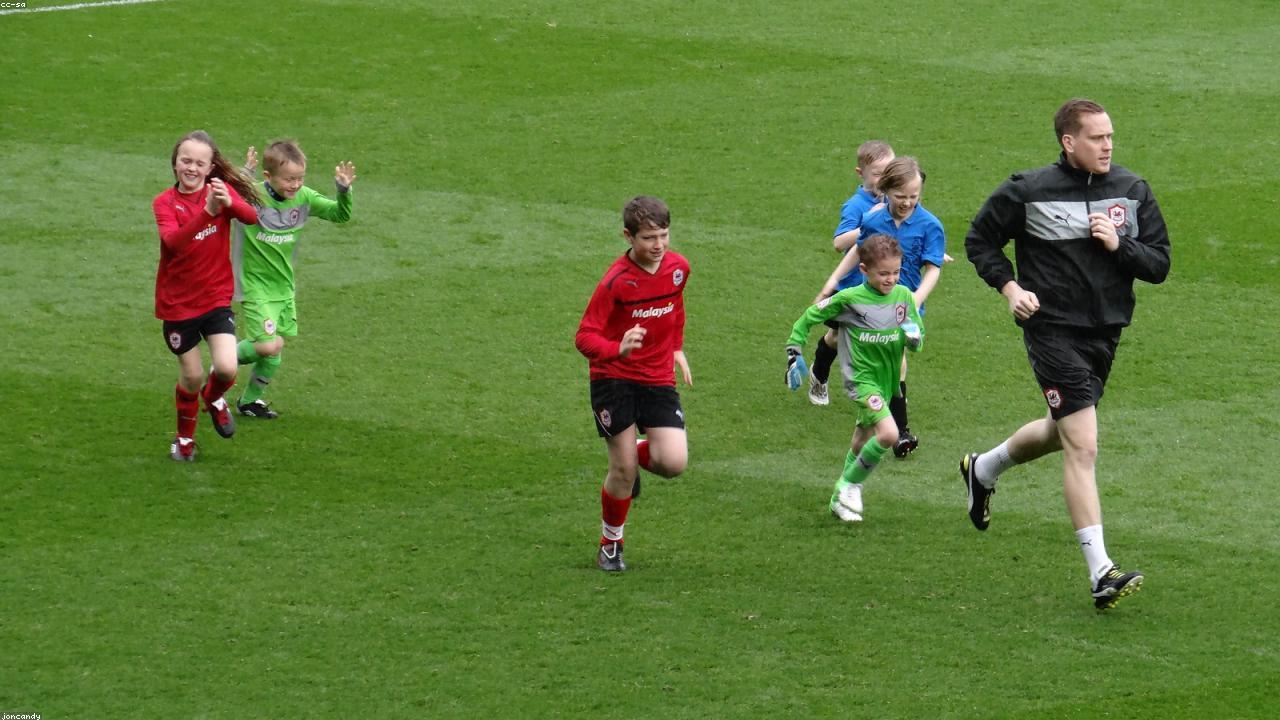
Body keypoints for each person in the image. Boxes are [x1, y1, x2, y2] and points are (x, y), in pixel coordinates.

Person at [961, 98, 1170, 610]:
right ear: (1068, 142)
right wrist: (1010, 289)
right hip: (1050, 329)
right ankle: (1102, 570)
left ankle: (983, 469)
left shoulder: (1132, 190)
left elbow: (1159, 264)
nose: (1108, 145)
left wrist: (1120, 244)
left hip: (1105, 333)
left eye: (1110, 136)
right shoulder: (1028, 191)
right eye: (1097, 138)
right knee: (1084, 443)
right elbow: (979, 241)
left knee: (1064, 430)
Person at [575, 196, 692, 572]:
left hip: (657, 375)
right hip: (614, 377)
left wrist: (675, 348)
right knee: (623, 469)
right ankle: (611, 543)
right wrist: (617, 349)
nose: (658, 245)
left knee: (673, 463)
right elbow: (584, 337)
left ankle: (633, 454)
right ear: (628, 236)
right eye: (648, 238)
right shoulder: (615, 281)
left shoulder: (678, 269)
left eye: (663, 235)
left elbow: (675, 308)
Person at [786, 234, 923, 522]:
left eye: (896, 272)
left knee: (862, 442)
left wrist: (912, 336)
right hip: (861, 380)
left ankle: (838, 502)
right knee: (888, 434)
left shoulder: (904, 297)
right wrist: (794, 349)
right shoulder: (850, 300)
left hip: (888, 383)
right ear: (864, 270)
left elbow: (916, 340)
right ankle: (848, 485)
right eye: (883, 273)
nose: (890, 279)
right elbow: (809, 317)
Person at [816, 156, 946, 457]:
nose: (908, 202)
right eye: (901, 196)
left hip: (904, 306)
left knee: (896, 360)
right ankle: (824, 369)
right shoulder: (874, 220)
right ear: (886, 189)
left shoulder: (930, 225)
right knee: (849, 345)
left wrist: (916, 300)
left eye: (914, 196)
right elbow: (857, 250)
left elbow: (933, 269)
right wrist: (831, 281)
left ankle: (900, 431)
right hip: (870, 301)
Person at [152, 130, 260, 461]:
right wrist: (209, 212)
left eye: (200, 163)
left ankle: (214, 398)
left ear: (210, 167)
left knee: (226, 368)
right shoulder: (164, 203)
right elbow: (175, 244)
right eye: (186, 160)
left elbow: (254, 217)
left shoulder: (219, 190)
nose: (192, 168)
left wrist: (230, 204)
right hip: (178, 305)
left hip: (215, 298)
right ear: (174, 163)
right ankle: (184, 440)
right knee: (192, 375)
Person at [233, 140, 356, 419]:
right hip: (254, 286)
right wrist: (244, 175)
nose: (295, 185)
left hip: (284, 288)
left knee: (275, 347)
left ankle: (250, 401)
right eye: (289, 179)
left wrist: (344, 190)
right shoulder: (251, 195)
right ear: (269, 177)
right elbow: (225, 197)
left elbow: (341, 214)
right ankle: (223, 361)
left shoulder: (305, 198)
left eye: (300, 178)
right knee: (267, 344)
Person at [807, 140, 894, 408]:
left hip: (880, 285)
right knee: (836, 338)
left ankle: (880, 393)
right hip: (851, 286)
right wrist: (870, 221)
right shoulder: (856, 206)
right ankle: (819, 374)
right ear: (861, 173)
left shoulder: (895, 199)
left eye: (890, 171)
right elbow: (839, 243)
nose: (885, 178)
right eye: (879, 173)